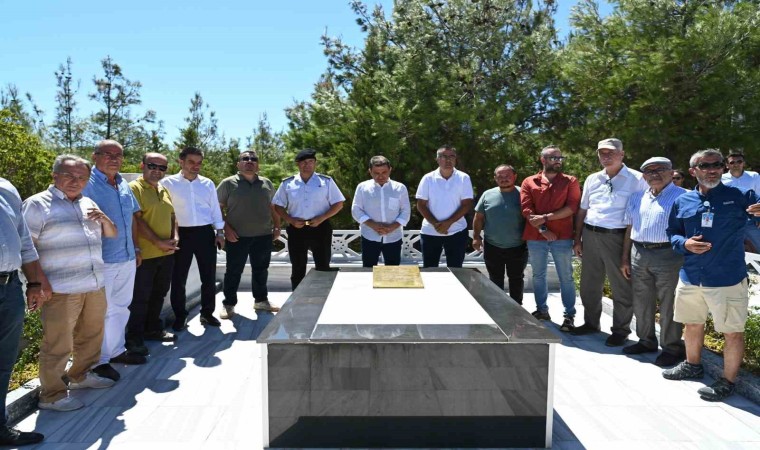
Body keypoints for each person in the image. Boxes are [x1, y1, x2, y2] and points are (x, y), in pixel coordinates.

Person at [663, 149, 760, 401]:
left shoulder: (740, 196)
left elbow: (757, 215)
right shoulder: (683, 201)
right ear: (693, 171)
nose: (712, 170)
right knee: (692, 323)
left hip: (727, 278)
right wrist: (684, 244)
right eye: (705, 166)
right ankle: (692, 365)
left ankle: (727, 382)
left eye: (717, 164)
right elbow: (672, 232)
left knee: (732, 331)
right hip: (691, 276)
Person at [23, 155, 118, 412]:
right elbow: (26, 247)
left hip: (94, 284)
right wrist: (38, 282)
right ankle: (51, 395)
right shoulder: (37, 205)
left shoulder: (88, 202)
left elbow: (111, 234)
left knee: (91, 336)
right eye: (69, 175)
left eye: (81, 177)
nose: (76, 181)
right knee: (58, 343)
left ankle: (80, 376)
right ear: (55, 175)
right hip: (60, 288)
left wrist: (105, 220)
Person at [572, 138, 647, 346]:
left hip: (618, 236)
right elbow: (583, 210)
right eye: (602, 153)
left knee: (621, 286)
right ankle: (591, 323)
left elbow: (638, 215)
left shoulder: (637, 179)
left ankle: (621, 330)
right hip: (590, 234)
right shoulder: (593, 178)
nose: (606, 156)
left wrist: (627, 252)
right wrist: (577, 239)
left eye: (611, 152)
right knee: (589, 284)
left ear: (622, 154)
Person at [83, 140, 145, 381]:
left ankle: (116, 351)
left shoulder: (123, 184)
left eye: (118, 155)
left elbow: (131, 219)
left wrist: (136, 248)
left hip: (126, 257)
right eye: (107, 154)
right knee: (100, 312)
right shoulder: (86, 183)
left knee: (120, 307)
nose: (114, 158)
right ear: (95, 156)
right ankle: (98, 361)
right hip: (102, 260)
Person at [620, 157, 687, 367]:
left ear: (671, 172)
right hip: (639, 253)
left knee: (669, 304)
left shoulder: (684, 196)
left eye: (661, 169)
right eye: (649, 171)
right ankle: (646, 341)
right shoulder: (637, 197)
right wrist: (625, 258)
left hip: (669, 255)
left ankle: (671, 348)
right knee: (642, 300)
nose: (655, 174)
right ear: (644, 176)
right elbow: (630, 228)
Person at [0, 177, 48, 446]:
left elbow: (24, 241)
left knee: (4, 362)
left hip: (9, 287)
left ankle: (0, 427)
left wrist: (34, 283)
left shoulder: (6, 188)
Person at [161, 147, 225, 329]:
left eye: (199, 163)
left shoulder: (207, 183)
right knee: (178, 277)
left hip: (205, 233)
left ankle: (207, 313)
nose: (195, 166)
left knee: (208, 276)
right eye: (191, 162)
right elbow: (166, 211)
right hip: (180, 234)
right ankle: (180, 316)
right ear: (181, 162)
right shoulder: (168, 183)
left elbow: (215, 208)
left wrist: (220, 232)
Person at [520, 146, 581, 331]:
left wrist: (545, 218)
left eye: (560, 158)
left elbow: (572, 208)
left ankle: (569, 316)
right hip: (536, 237)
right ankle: (542, 310)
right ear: (543, 160)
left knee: (566, 277)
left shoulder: (570, 181)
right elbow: (527, 210)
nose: (558, 161)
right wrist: (543, 229)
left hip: (562, 237)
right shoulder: (529, 181)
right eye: (553, 157)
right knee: (538, 276)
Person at [218, 150, 281, 317]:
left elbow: (273, 207)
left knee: (261, 270)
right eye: (245, 159)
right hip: (237, 236)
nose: (249, 161)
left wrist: (277, 226)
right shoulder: (228, 183)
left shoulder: (266, 183)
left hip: (263, 235)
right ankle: (228, 304)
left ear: (258, 164)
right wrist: (226, 229)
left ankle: (261, 301)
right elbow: (216, 209)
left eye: (253, 159)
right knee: (233, 271)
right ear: (238, 164)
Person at [127, 153, 178, 356]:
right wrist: (158, 242)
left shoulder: (163, 189)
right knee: (140, 298)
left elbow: (172, 215)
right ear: (142, 166)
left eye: (162, 167)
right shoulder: (134, 188)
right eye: (152, 165)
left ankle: (153, 329)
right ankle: (134, 339)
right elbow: (136, 221)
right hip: (145, 255)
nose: (157, 170)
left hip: (166, 253)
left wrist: (175, 237)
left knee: (159, 293)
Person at [273, 149, 345, 290]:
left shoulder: (326, 181)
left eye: (311, 162)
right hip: (296, 229)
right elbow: (278, 206)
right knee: (298, 267)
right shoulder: (288, 183)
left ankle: (323, 296)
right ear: (298, 164)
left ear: (315, 163)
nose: (307, 165)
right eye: (304, 162)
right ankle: (296, 298)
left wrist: (322, 218)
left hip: (320, 227)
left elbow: (339, 203)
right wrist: (290, 220)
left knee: (323, 266)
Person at [472, 165, 527, 303]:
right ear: (495, 178)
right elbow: (478, 218)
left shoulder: (524, 194)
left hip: (518, 246)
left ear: (515, 176)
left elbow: (530, 218)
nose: (504, 179)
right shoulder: (487, 194)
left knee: (516, 278)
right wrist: (476, 237)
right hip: (492, 245)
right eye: (500, 176)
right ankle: (497, 307)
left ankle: (517, 308)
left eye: (507, 176)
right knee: (495, 279)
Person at [416, 146, 474, 268]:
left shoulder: (463, 178)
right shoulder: (427, 178)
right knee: (430, 270)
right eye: (444, 156)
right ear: (437, 159)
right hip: (430, 231)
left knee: (456, 270)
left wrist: (448, 223)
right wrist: (436, 224)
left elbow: (467, 204)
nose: (448, 160)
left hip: (457, 231)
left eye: (451, 156)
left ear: (455, 159)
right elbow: (421, 205)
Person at [351, 156, 411, 267]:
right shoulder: (362, 187)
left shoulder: (400, 188)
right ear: (370, 172)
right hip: (369, 235)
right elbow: (356, 209)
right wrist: (373, 225)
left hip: (393, 236)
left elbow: (406, 211)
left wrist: (391, 227)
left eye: (384, 172)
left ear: (390, 170)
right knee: (369, 269)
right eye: (376, 173)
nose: (380, 176)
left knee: (393, 270)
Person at [721, 151, 760, 252]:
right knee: (728, 250)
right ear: (727, 165)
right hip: (729, 221)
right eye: (732, 162)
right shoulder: (721, 179)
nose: (736, 164)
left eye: (739, 161)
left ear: (744, 163)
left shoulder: (754, 176)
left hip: (751, 220)